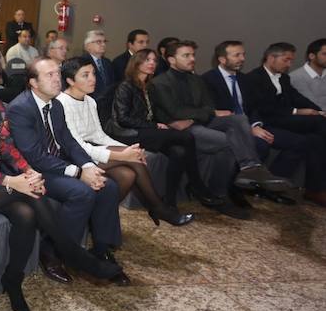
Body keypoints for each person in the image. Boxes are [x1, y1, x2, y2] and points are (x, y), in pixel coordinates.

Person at [0, 51, 121, 311]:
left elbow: (8, 148)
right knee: (30, 198)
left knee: (26, 214)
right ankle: (74, 255)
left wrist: (30, 173)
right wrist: (11, 181)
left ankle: (13, 279)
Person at [7, 58, 131, 286]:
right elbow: (34, 156)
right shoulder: (20, 108)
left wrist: (88, 166)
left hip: (56, 164)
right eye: (50, 75)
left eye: (57, 73)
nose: (57, 79)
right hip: (34, 171)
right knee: (81, 192)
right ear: (33, 82)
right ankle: (52, 252)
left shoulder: (55, 105)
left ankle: (101, 249)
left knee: (108, 186)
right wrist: (77, 172)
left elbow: (69, 141)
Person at [149, 39, 292, 216]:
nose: (192, 59)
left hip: (195, 122)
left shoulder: (196, 79)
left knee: (239, 119)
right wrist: (203, 113)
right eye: (186, 55)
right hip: (179, 129)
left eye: (193, 55)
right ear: (171, 59)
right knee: (227, 141)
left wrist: (196, 116)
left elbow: (208, 106)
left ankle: (250, 166)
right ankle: (219, 193)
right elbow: (175, 111)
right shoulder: (160, 82)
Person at [58, 58, 193, 226]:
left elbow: (99, 136)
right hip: (73, 156)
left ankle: (99, 217)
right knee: (133, 160)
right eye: (85, 75)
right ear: (70, 80)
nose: (92, 79)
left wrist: (128, 149)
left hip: (91, 149)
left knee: (127, 175)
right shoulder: (62, 103)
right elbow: (77, 146)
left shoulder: (90, 101)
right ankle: (158, 207)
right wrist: (124, 155)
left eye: (93, 73)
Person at [109, 49, 224, 209]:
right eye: (147, 60)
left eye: (154, 60)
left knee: (179, 152)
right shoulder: (126, 86)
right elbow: (123, 119)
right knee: (186, 137)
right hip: (127, 133)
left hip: (146, 130)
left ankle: (169, 200)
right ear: (136, 63)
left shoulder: (149, 87)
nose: (152, 63)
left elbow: (156, 113)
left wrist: (166, 123)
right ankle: (197, 185)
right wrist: (154, 125)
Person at [241, 42, 326, 206]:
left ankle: (311, 189)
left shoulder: (284, 78)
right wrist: (297, 111)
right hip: (267, 121)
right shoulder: (253, 78)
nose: (289, 64)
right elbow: (262, 108)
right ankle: (276, 186)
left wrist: (318, 110)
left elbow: (298, 98)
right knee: (318, 124)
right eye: (286, 60)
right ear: (271, 58)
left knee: (315, 139)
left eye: (291, 60)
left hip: (283, 121)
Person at [290, 38, 326, 111]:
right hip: (315, 115)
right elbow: (312, 105)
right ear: (312, 56)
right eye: (325, 54)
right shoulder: (297, 77)